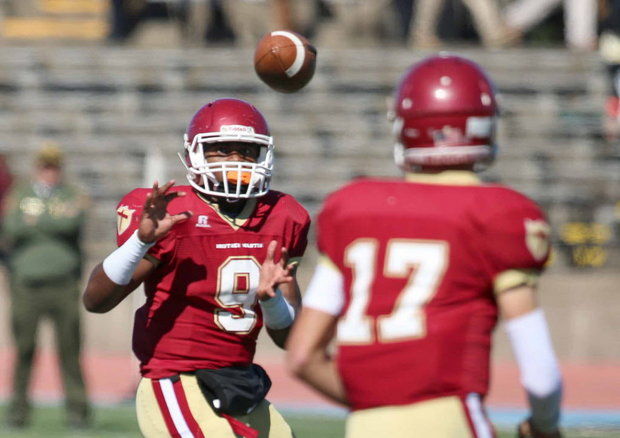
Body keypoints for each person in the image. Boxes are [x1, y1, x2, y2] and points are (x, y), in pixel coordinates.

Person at [286, 54, 564, 438]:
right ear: (483, 125)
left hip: (366, 426)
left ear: (405, 126)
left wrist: (384, 406)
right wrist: (544, 426)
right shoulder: (499, 213)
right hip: (450, 418)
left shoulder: (352, 209)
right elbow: (540, 376)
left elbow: (302, 356)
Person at [83, 98, 310, 438]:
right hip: (175, 376)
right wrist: (140, 242)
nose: (236, 161)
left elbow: (290, 339)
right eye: (223, 150)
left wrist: (272, 300)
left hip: (239, 379)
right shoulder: (173, 213)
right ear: (195, 154)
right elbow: (96, 300)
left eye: (247, 151)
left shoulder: (284, 215)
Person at [3, 144, 91, 429]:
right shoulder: (20, 194)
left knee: (70, 349)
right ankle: (18, 412)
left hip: (63, 283)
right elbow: (12, 227)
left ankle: (78, 412)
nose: (49, 172)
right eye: (45, 166)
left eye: (53, 167)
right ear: (37, 168)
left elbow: (71, 224)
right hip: (26, 283)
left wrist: (36, 221)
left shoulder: (72, 194)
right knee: (24, 349)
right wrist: (52, 221)